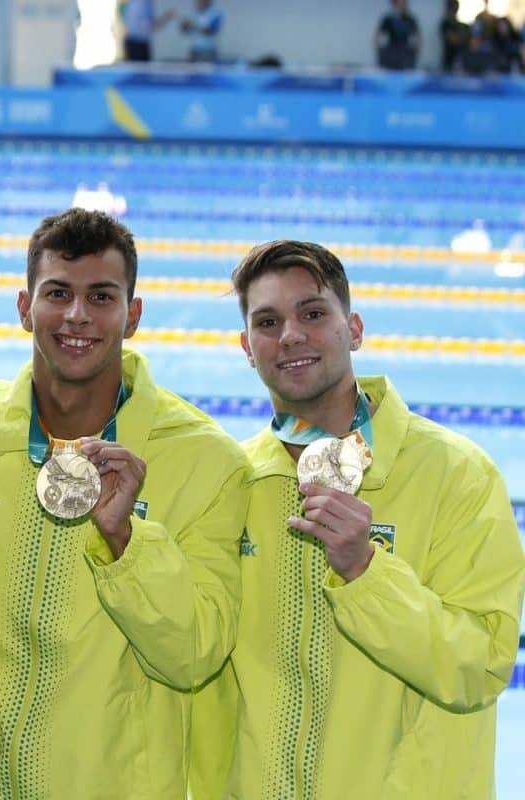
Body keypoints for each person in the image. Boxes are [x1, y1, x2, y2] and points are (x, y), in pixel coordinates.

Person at [0, 208, 247, 798]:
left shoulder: (207, 461)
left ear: (133, 314)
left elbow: (197, 655)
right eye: (58, 294)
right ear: (25, 309)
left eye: (101, 296)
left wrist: (127, 545)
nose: (77, 315)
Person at [198, 240, 525, 798]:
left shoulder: (456, 476)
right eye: (268, 321)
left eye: (313, 313)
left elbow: (482, 667)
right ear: (248, 349)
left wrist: (366, 573)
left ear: (354, 329)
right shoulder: (235, 481)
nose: (291, 335)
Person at [375, 0, 421, 70]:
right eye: (399, 3)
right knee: (389, 72)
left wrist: (415, 51)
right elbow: (378, 35)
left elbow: (418, 36)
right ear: (394, 4)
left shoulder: (410, 19)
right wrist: (379, 51)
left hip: (405, 50)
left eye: (403, 4)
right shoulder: (388, 19)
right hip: (391, 49)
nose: (401, 6)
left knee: (406, 73)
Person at [439, 0, 471, 73]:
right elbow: (452, 39)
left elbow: (468, 40)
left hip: (462, 59)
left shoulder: (461, 24)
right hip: (448, 58)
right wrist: (461, 39)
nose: (454, 9)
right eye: (453, 7)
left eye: (456, 7)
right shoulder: (445, 23)